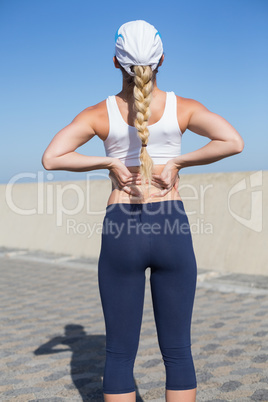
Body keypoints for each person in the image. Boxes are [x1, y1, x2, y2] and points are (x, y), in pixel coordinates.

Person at [42, 20, 244, 402]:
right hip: (172, 227)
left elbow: (52, 158)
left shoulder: (98, 113)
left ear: (115, 63)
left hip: (122, 229)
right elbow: (232, 141)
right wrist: (178, 162)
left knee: (118, 354)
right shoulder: (184, 107)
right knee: (178, 352)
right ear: (162, 59)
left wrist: (108, 164)